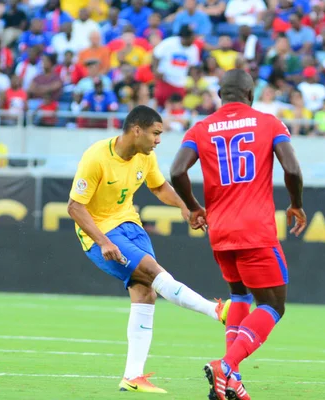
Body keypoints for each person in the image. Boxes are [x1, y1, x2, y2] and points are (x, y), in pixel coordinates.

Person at [67, 106, 231, 393]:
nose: (158, 140)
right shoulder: (96, 157)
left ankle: (133, 377)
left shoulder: (146, 156)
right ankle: (216, 311)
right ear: (136, 130)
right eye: (155, 133)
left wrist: (185, 206)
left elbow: (158, 187)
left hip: (130, 224)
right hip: (100, 232)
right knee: (155, 273)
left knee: (147, 292)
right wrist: (104, 242)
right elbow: (74, 207)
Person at [170, 69, 307, 400]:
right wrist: (296, 204)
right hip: (255, 231)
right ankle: (227, 365)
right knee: (273, 305)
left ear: (220, 95)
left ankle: (232, 381)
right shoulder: (269, 123)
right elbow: (291, 168)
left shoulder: (200, 129)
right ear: (250, 94)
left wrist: (193, 207)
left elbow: (176, 171)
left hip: (220, 231)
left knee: (241, 298)